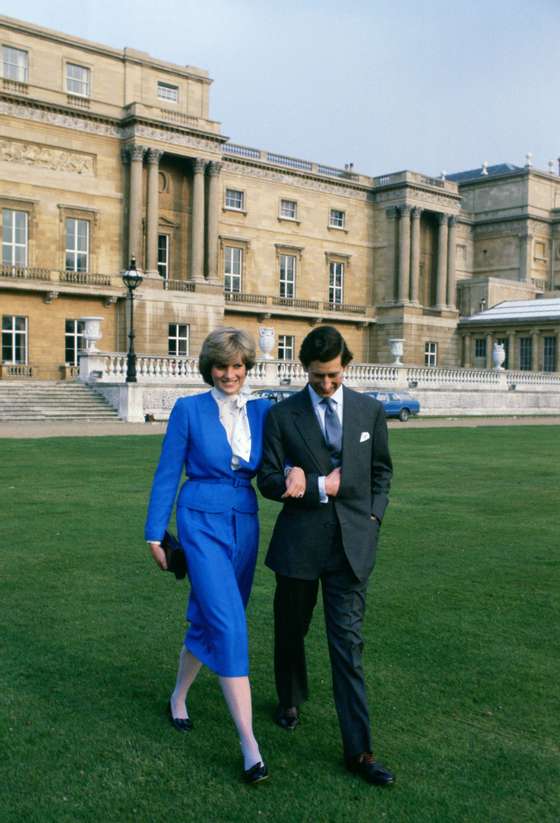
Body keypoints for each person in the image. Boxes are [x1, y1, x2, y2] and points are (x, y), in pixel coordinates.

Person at [257, 325, 395, 786]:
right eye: (318, 376)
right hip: (299, 545)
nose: (327, 384)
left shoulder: (369, 411)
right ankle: (290, 697)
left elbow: (381, 474)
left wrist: (374, 520)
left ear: (346, 366)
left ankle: (359, 751)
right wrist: (313, 485)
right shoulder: (282, 416)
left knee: (348, 648)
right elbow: (269, 480)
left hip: (352, 547)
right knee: (291, 630)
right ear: (305, 370)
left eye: (334, 375)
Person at [144, 327, 271, 785]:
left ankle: (178, 696)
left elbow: (277, 462)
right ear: (209, 367)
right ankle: (250, 746)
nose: (231, 374)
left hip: (244, 522)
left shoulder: (263, 410)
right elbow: (166, 471)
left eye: (238, 366)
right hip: (199, 520)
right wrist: (155, 533)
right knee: (230, 626)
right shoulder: (188, 409)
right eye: (222, 365)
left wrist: (298, 471)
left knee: (208, 619)